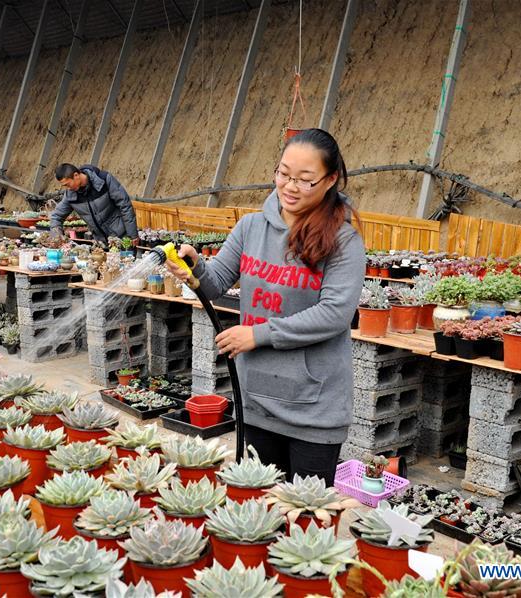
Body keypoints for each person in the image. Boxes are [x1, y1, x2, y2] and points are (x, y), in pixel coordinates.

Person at [166, 129, 365, 484]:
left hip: (313, 411)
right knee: (258, 512)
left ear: (330, 179)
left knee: (304, 526)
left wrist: (257, 335)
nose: (290, 186)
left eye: (305, 180)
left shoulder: (343, 241)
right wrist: (194, 266)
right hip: (256, 401)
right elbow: (214, 285)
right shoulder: (251, 227)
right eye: (283, 174)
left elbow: (334, 315)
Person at [50, 163, 139, 244]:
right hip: (100, 242)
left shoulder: (104, 180)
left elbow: (125, 205)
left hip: (122, 237)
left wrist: (132, 235)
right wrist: (57, 238)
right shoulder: (70, 195)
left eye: (67, 184)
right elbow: (56, 216)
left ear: (76, 175)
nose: (67, 188)